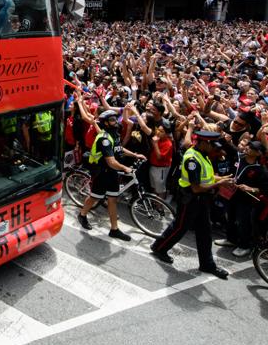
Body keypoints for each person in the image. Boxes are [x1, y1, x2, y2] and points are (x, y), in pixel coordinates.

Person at [151, 130, 234, 278]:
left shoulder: (202, 154)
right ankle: (159, 248)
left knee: (205, 232)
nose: (214, 148)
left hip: (202, 200)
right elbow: (196, 188)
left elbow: (206, 176)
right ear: (203, 143)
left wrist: (221, 178)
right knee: (180, 227)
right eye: (212, 145)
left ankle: (207, 264)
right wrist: (220, 183)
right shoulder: (192, 160)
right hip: (190, 199)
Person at [78, 110, 146, 241]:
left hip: (112, 172)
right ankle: (82, 215)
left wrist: (135, 155)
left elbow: (119, 149)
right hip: (101, 173)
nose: (116, 121)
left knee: (113, 199)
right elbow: (111, 162)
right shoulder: (104, 139)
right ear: (105, 123)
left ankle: (114, 229)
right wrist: (125, 168)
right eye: (112, 120)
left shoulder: (114, 134)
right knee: (94, 197)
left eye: (115, 119)